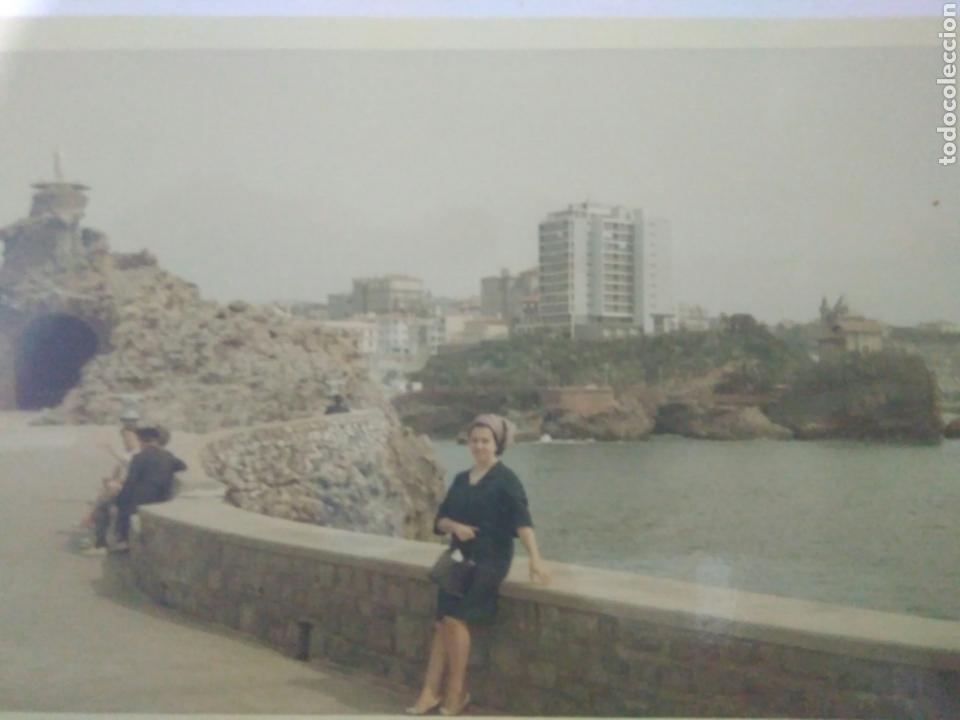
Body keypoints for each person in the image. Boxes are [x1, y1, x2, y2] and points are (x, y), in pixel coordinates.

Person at [406, 413, 550, 716]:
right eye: (474, 441)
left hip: (490, 559)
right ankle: (429, 693)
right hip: (459, 558)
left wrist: (535, 559)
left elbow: (523, 521)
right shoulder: (460, 479)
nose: (479, 446)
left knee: (456, 619)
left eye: (485, 441)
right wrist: (455, 527)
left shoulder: (506, 480)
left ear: (497, 444)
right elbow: (440, 520)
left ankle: (456, 694)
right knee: (443, 621)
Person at [111, 426, 187, 552]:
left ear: (142, 442)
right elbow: (183, 466)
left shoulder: (139, 458)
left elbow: (130, 483)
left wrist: (119, 499)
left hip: (140, 500)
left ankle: (121, 541)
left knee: (122, 502)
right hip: (161, 498)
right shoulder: (168, 456)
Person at [81, 425, 140, 555]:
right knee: (105, 496)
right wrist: (112, 480)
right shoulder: (129, 453)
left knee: (105, 501)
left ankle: (92, 526)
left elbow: (131, 476)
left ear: (138, 438)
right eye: (124, 438)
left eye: (129, 437)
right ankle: (92, 524)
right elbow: (119, 471)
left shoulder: (138, 454)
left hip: (130, 492)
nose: (126, 440)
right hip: (123, 489)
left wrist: (116, 482)